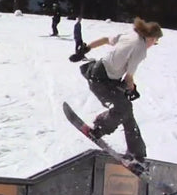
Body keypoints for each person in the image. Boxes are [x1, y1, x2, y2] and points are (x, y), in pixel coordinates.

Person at [70, 17, 163, 172]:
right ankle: (99, 128)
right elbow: (129, 77)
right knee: (124, 107)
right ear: (152, 38)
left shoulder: (130, 34)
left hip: (97, 72)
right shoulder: (140, 49)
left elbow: (106, 39)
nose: (154, 45)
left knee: (126, 110)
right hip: (101, 81)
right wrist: (132, 89)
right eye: (155, 42)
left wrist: (85, 49)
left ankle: (137, 153)